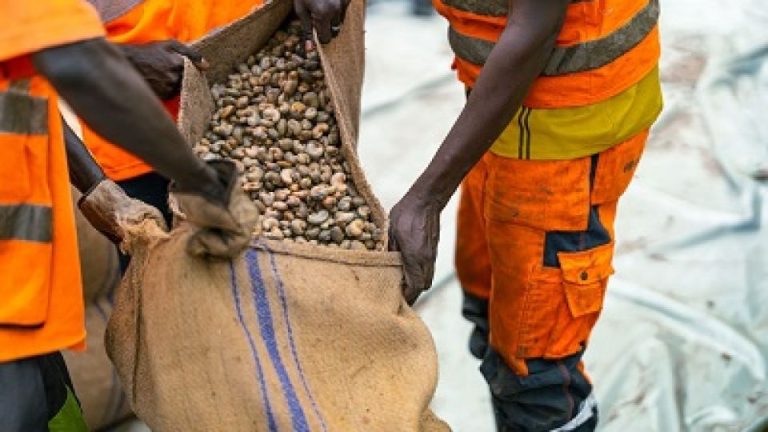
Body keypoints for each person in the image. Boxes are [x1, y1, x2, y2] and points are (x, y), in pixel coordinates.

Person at [318, 0, 663, 430]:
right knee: (489, 302)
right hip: (500, 118)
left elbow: (535, 27)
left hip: (567, 131)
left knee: (534, 366)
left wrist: (426, 199)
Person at [0, 1, 257, 430]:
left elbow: (22, 81)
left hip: (18, 292)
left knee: (51, 409)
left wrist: (97, 188)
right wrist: (201, 183)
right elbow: (75, 63)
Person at [79, 0, 344, 270]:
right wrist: (121, 60)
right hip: (140, 139)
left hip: (275, 78)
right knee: (171, 290)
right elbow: (38, 40)